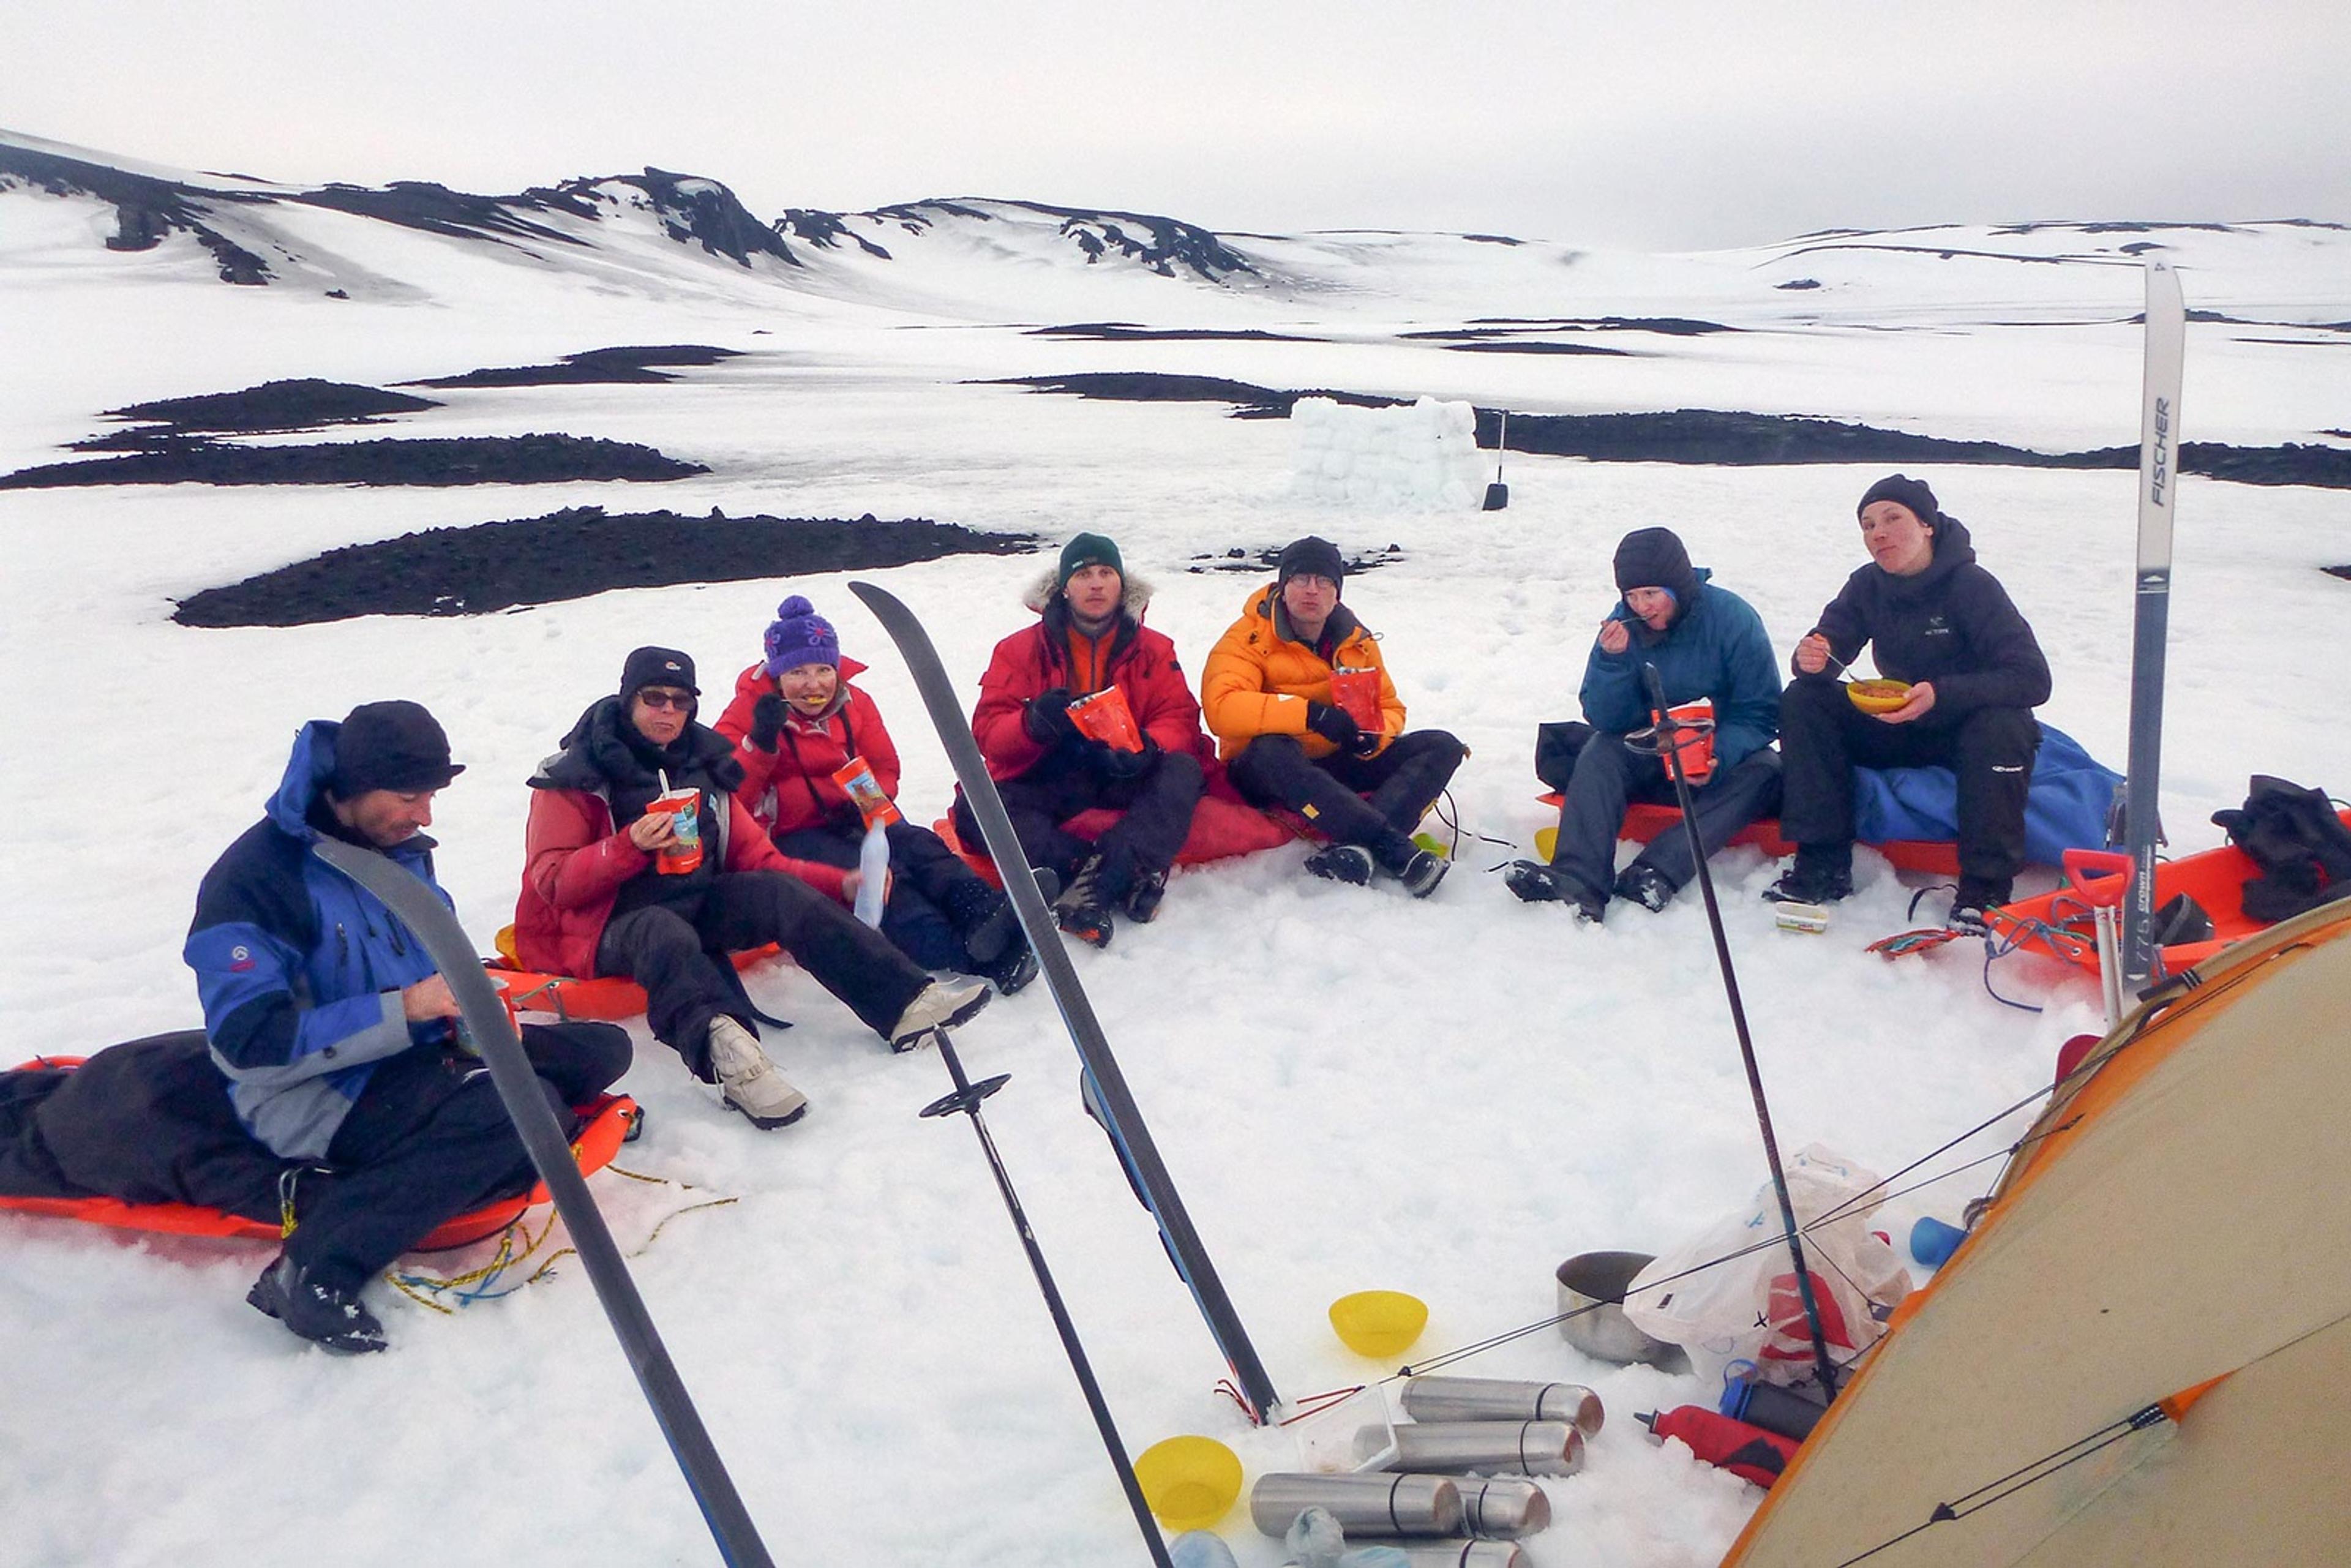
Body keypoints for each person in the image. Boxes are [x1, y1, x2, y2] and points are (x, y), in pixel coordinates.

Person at [184, 700, 633, 1353]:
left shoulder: (393, 847)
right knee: (520, 1110)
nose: (424, 814)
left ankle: (478, 1111)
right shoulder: (257, 879)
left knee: (601, 1049)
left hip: (416, 1052)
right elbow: (248, 1043)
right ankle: (311, 1267)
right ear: (353, 785)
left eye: (430, 795)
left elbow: (423, 961)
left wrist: (472, 1011)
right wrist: (410, 1008)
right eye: (408, 794)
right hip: (318, 1090)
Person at [516, 648, 991, 1130]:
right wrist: (628, 845)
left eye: (680, 701)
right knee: (662, 931)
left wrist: (841, 882)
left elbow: (760, 859)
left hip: (693, 901)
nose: (667, 711)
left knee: (775, 891)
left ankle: (906, 1001)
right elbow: (553, 883)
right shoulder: (574, 777)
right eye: (654, 698)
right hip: (608, 926)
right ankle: (735, 1062)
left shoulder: (704, 767)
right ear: (627, 700)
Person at [713, 595, 1040, 994]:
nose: (813, 684)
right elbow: (729, 797)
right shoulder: (748, 712)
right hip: (792, 834)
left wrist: (873, 798)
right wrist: (761, 742)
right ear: (778, 675)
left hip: (858, 811)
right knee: (886, 883)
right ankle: (964, 954)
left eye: (822, 669)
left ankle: (989, 914)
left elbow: (885, 765)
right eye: (798, 671)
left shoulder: (856, 702)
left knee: (922, 848)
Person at [1769, 475, 2052, 929]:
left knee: (2004, 724)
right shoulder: (1867, 585)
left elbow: (2032, 678)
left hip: (1966, 728)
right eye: (1867, 524)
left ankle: (1985, 884)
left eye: (1892, 518)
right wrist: (1813, 658)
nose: (1877, 533)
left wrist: (1942, 694)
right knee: (1805, 700)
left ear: (1927, 526)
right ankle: (1822, 863)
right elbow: (1831, 644)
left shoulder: (1972, 586)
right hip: (1897, 720)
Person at [1507, 527, 1783, 921]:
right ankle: (1577, 878)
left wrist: (1717, 754)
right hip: (1650, 749)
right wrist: (1612, 662)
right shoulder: (1623, 626)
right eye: (1631, 596)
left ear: (1679, 586)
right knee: (1601, 749)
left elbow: (1761, 711)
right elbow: (1606, 719)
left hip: (1716, 755)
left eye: (1652, 594)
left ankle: (1656, 873)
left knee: (1768, 772)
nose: (1642, 607)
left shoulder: (1733, 619)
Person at [958, 533, 1210, 948]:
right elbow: (988, 732)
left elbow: (1180, 717)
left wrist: (1149, 746)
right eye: (1084, 574)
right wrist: (1032, 723)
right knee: (974, 806)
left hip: (1124, 771)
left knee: (1183, 769)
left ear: (1122, 585)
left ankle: (1111, 868)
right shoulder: (1017, 649)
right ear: (1064, 588)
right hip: (1054, 772)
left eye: (1106, 573)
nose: (1096, 584)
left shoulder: (1156, 647)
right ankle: (1095, 871)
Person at [1200, 536, 1462, 895]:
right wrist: (1310, 715)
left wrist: (1374, 736)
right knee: (1272, 748)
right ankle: (1390, 846)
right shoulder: (1248, 637)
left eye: (1324, 582)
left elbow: (1391, 707)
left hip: (1335, 761)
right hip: (1266, 769)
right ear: (1283, 585)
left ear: (1337, 592)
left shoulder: (1356, 641)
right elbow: (1222, 708)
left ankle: (1357, 852)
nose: (1312, 591)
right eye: (1300, 580)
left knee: (1442, 746)